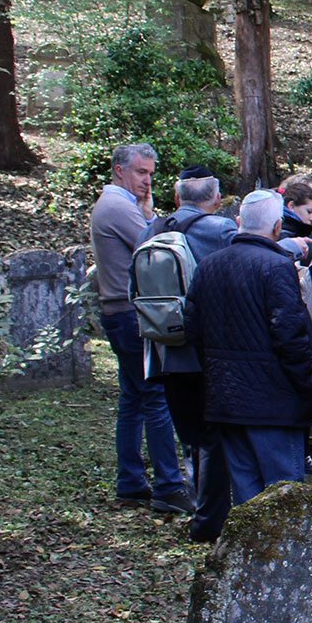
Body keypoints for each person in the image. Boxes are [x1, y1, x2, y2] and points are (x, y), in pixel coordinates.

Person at [185, 190, 312, 504]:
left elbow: (193, 329)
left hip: (227, 398)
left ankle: (249, 554)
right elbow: (291, 336)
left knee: (246, 497)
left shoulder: (207, 266)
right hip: (275, 403)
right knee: (283, 498)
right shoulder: (277, 267)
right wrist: (309, 388)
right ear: (277, 228)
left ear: (238, 222)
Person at [91, 142, 190, 514]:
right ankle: (168, 485)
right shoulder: (116, 206)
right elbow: (160, 245)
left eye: (150, 173)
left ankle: (131, 481)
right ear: (119, 171)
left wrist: (146, 211)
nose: (148, 181)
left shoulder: (118, 204)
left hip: (120, 312)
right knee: (155, 398)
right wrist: (149, 217)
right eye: (140, 173)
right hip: (130, 315)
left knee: (133, 399)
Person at [141, 166, 239, 541]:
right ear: (215, 199)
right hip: (209, 352)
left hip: (165, 351)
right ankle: (210, 522)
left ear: (177, 196)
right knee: (214, 436)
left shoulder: (151, 230)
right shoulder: (222, 231)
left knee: (191, 435)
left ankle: (197, 503)